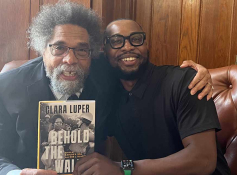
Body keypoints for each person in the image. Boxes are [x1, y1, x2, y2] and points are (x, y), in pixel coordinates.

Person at [0, 2, 213, 175]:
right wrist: (18, 173)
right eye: (59, 48)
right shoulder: (7, 87)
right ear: (41, 49)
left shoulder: (104, 73)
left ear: (93, 53)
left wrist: (200, 74)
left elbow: (131, 61)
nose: (70, 59)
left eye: (82, 50)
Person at [73, 19, 231, 175]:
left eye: (136, 39)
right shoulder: (109, 95)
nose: (128, 47)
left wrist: (124, 169)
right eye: (116, 41)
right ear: (104, 50)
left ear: (146, 44)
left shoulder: (185, 82)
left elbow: (203, 161)